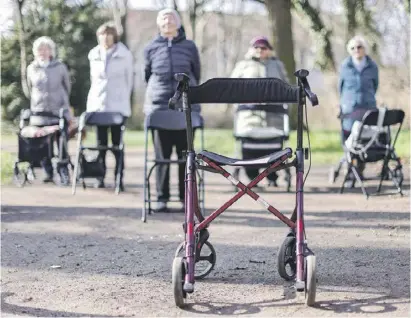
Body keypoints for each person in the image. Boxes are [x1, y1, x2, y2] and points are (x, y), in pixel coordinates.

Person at [143, 8, 201, 212]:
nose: (168, 21)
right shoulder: (150, 47)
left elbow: (197, 73)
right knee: (162, 156)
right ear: (159, 24)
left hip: (186, 107)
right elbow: (147, 75)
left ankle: (187, 199)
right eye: (164, 18)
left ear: (178, 23)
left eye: (171, 18)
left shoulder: (189, 46)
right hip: (159, 107)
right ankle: (162, 197)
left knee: (186, 156)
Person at [230, 36, 289, 185]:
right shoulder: (243, 65)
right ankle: (252, 177)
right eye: (256, 47)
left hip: (274, 120)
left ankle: (271, 177)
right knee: (249, 151)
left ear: (269, 50)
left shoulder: (278, 66)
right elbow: (232, 87)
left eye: (263, 47)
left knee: (273, 150)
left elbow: (286, 88)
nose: (260, 50)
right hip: (249, 119)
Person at [86, 22, 134, 191]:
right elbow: (94, 82)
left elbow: (129, 82)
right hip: (98, 106)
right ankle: (100, 176)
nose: (105, 37)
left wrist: (124, 101)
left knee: (116, 145)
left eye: (108, 34)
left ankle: (118, 178)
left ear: (114, 36)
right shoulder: (93, 55)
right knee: (100, 145)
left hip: (117, 106)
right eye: (102, 34)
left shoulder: (125, 55)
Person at [27, 36, 71, 185]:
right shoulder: (31, 68)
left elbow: (67, 87)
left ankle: (63, 170)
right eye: (40, 49)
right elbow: (28, 88)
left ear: (51, 51)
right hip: (39, 112)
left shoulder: (60, 67)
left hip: (58, 111)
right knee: (43, 143)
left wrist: (62, 105)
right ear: (35, 52)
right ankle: (47, 171)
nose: (43, 52)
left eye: (46, 49)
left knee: (61, 141)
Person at [338, 35, 379, 180]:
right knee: (348, 138)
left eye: (360, 47)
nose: (357, 50)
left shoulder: (372, 66)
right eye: (353, 48)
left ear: (365, 49)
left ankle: (360, 169)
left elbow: (375, 85)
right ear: (349, 50)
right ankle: (350, 169)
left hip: (367, 106)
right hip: (350, 108)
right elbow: (340, 87)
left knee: (364, 138)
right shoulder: (345, 66)